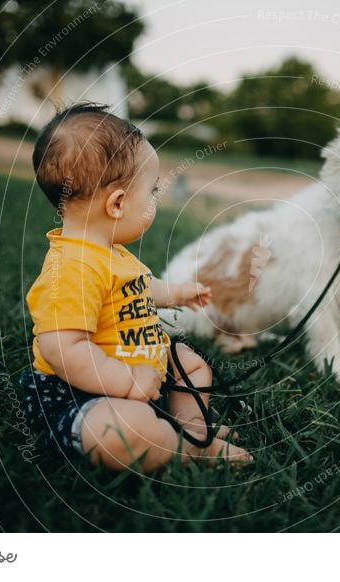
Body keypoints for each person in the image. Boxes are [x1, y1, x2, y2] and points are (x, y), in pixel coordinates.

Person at [21, 103, 252, 472]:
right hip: (80, 396)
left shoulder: (114, 255)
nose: (155, 200)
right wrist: (126, 381)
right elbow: (64, 350)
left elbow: (142, 288)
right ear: (117, 203)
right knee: (123, 432)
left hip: (141, 379)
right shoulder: (72, 270)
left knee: (191, 366)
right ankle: (186, 450)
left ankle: (192, 430)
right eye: (153, 191)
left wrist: (176, 294)